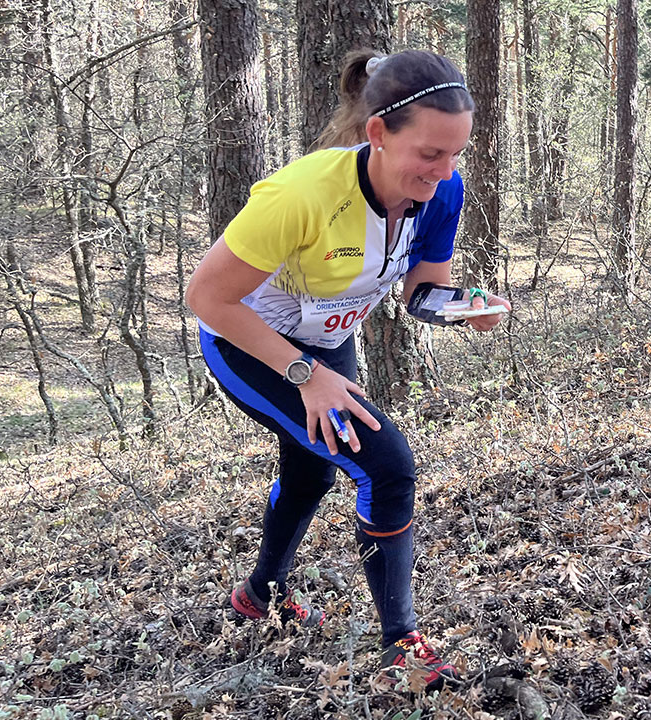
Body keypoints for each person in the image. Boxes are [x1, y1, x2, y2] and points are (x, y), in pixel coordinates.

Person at [186, 49, 509, 690]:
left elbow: (421, 293)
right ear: (379, 135)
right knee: (386, 464)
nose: (444, 172)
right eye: (430, 154)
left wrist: (466, 307)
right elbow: (207, 297)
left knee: (311, 472)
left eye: (456, 154)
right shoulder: (302, 195)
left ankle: (259, 593)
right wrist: (307, 374)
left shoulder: (441, 192)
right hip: (249, 341)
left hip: (325, 344)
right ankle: (401, 645)